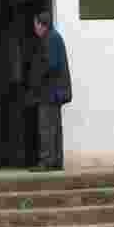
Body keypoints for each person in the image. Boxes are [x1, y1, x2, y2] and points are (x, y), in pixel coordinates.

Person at [30, 11, 72, 171]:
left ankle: (47, 161)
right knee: (53, 127)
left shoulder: (51, 39)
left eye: (36, 26)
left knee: (46, 127)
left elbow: (51, 65)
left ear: (42, 25)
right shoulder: (54, 37)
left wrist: (36, 79)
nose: (35, 29)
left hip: (50, 92)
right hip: (54, 92)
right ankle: (55, 161)